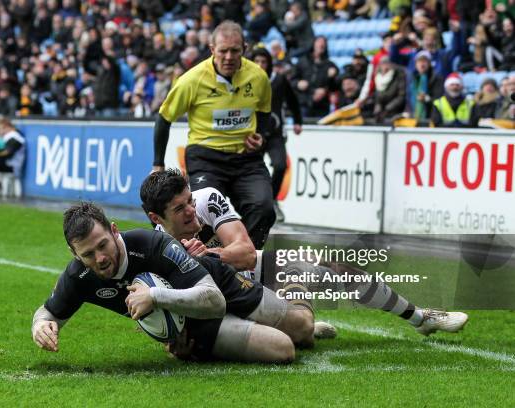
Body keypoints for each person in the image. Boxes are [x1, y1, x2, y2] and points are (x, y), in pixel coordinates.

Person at [140, 169, 470, 337]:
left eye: (188, 201)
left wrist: (210, 258)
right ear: (157, 219)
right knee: (295, 335)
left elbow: (246, 252)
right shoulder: (156, 250)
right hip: (226, 307)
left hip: (255, 274)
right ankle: (300, 323)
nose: (190, 211)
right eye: (179, 209)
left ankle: (421, 318)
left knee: (337, 270)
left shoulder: (208, 199)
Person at [32, 201, 316, 363]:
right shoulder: (79, 275)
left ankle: (291, 273)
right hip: (193, 323)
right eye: (88, 254)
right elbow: (48, 313)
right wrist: (41, 326)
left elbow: (215, 301)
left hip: (215, 284)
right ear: (74, 254)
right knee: (284, 350)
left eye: (103, 245)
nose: (100, 258)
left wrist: (154, 297)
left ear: (114, 230)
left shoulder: (152, 244)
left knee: (303, 329)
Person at [152, 21, 275, 250]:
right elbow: (164, 118)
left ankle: (246, 262)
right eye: (223, 51)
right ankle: (194, 266)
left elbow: (265, 115)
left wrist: (262, 136)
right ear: (212, 49)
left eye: (235, 51)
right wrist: (158, 164)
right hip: (205, 158)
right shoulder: (191, 80)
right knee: (199, 213)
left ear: (245, 49)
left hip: (246, 159)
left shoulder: (259, 77)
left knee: (264, 208)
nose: (229, 57)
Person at [250, 47, 302, 223]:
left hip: (275, 134)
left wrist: (298, 121)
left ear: (270, 64)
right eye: (257, 61)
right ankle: (256, 205)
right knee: (253, 170)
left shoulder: (278, 80)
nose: (260, 65)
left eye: (264, 62)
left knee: (280, 165)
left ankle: (272, 200)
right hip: (253, 134)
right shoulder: (246, 81)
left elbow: (293, 100)